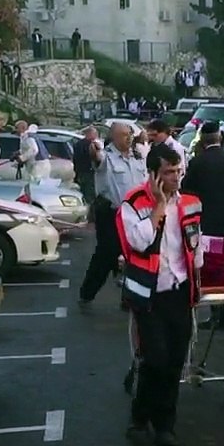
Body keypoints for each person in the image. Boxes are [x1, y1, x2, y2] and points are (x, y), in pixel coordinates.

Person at [117, 143, 202, 446]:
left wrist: (198, 275)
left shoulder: (190, 201)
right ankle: (141, 416)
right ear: (153, 175)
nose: (176, 177)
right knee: (155, 359)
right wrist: (158, 207)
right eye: (169, 172)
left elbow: (196, 244)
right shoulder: (133, 202)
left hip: (179, 291)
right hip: (149, 295)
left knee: (175, 361)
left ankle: (165, 424)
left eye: (178, 171)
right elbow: (137, 242)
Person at [181, 121, 224, 328]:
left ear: (202, 140)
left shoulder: (197, 163)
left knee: (212, 270)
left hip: (207, 224)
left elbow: (186, 190)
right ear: (220, 138)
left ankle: (216, 313)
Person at [80, 122, 147, 309]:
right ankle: (87, 293)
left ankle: (129, 296)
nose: (129, 138)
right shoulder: (107, 157)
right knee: (106, 254)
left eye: (131, 134)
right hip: (112, 213)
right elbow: (97, 158)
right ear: (115, 137)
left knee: (136, 256)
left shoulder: (137, 157)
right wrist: (94, 150)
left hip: (135, 214)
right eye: (125, 134)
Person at [72, 126, 99, 204]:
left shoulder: (78, 144)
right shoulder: (90, 145)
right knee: (89, 193)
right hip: (88, 172)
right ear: (90, 134)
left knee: (82, 190)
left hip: (80, 171)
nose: (96, 136)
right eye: (95, 134)